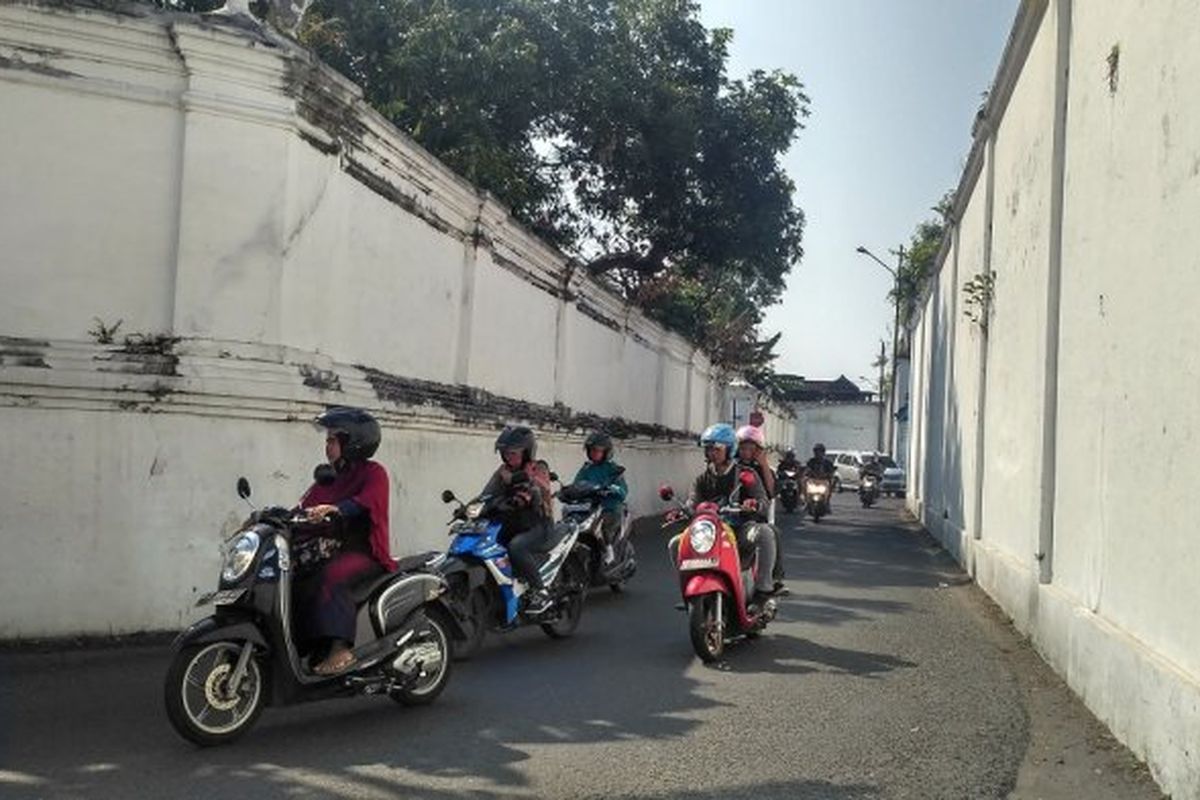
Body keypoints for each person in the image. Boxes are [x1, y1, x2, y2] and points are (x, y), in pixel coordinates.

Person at [296, 406, 396, 676]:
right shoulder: (330, 476)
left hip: (364, 552)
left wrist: (337, 509)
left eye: (332, 440)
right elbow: (306, 505)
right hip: (331, 549)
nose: (327, 447)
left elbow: (367, 502)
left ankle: (340, 648)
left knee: (331, 576)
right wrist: (269, 517)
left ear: (352, 443)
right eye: (327, 440)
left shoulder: (375, 473)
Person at [672, 423, 778, 607]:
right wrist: (681, 511)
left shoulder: (746, 474)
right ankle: (688, 588)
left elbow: (763, 501)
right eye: (708, 449)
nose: (711, 453)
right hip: (710, 531)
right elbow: (692, 503)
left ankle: (764, 588)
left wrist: (753, 504)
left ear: (729, 449)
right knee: (675, 543)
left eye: (716, 449)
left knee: (765, 533)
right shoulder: (701, 479)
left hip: (740, 528)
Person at [480, 425, 555, 614]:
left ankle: (541, 591)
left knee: (516, 546)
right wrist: (471, 508)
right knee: (488, 545)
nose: (508, 457)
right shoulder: (502, 472)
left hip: (539, 523)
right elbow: (487, 493)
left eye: (513, 453)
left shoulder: (538, 468)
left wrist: (526, 493)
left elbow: (541, 488)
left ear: (527, 452)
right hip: (513, 523)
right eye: (505, 453)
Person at [736, 425, 785, 588]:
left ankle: (773, 579)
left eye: (751, 448)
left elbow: (771, 492)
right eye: (742, 448)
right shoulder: (731, 467)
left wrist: (763, 464)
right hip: (729, 516)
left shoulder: (763, 470)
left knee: (772, 533)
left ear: (759, 450)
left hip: (754, 517)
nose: (746, 452)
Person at [572, 431, 629, 565]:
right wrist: (570, 491)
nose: (594, 453)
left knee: (603, 527)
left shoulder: (613, 468)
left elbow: (623, 490)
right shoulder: (586, 469)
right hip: (590, 507)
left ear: (606, 452)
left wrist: (612, 489)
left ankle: (609, 551)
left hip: (610, 507)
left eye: (597, 450)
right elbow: (577, 483)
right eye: (591, 450)